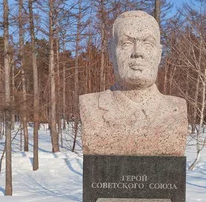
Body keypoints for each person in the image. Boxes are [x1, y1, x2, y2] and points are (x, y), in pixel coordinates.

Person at [79, 10, 188, 156]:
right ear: (111, 52)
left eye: (148, 43)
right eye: (127, 43)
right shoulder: (90, 106)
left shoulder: (176, 109)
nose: (137, 52)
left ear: (159, 54)